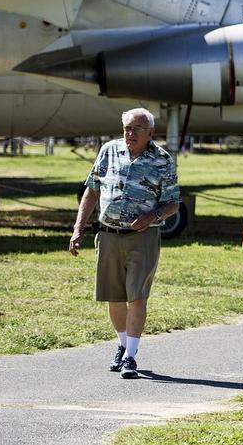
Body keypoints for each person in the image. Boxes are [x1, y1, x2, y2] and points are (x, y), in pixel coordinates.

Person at [68, 108, 179, 380]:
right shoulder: (109, 151)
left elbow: (173, 203)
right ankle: (122, 344)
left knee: (136, 296)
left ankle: (131, 356)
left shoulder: (162, 160)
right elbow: (92, 190)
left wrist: (152, 216)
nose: (130, 133)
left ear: (150, 133)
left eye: (136, 129)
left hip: (143, 238)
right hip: (107, 235)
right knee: (114, 297)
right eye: (127, 128)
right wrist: (78, 228)